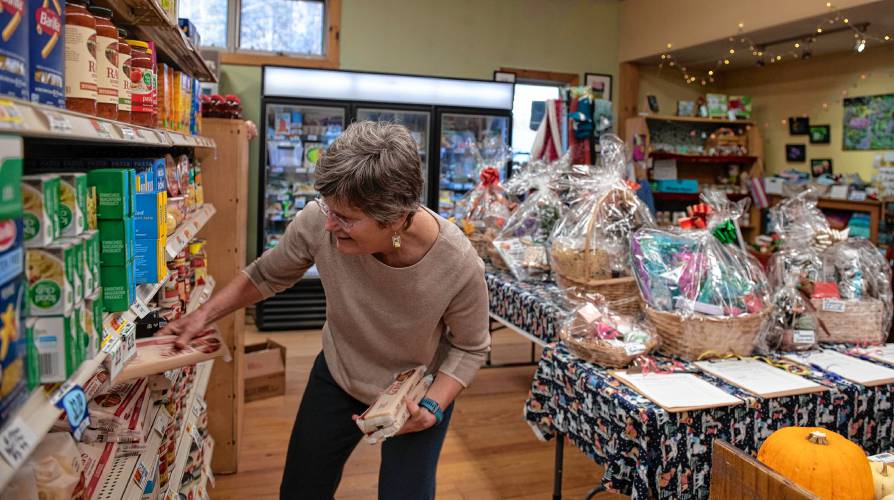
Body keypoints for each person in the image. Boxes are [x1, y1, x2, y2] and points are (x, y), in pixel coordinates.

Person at [159, 121, 491, 499]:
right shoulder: (321, 219)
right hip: (339, 374)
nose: (330, 225)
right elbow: (267, 274)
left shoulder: (458, 264)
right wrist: (202, 315)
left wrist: (431, 407)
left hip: (413, 394)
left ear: (397, 219)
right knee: (302, 489)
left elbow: (470, 347)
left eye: (347, 218)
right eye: (329, 209)